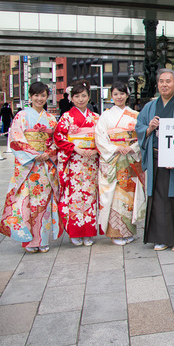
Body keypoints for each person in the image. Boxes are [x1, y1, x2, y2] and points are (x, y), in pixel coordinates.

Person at [136, 69, 174, 251]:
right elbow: (139, 126)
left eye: (168, 81)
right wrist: (150, 128)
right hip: (155, 157)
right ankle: (159, 238)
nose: (164, 84)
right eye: (161, 81)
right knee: (157, 198)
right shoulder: (149, 107)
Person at [0, 83, 59, 253]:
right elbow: (16, 138)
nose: (39, 99)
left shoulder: (51, 118)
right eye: (36, 95)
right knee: (28, 203)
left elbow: (56, 141)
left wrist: (48, 153)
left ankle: (42, 239)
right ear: (30, 97)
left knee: (44, 203)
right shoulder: (21, 116)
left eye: (42, 95)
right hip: (29, 167)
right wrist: (34, 154)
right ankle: (29, 241)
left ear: (47, 96)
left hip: (45, 167)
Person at [95, 82, 145, 246]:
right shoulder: (105, 116)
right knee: (114, 196)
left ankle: (128, 231)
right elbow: (100, 137)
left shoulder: (135, 114)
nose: (119, 97)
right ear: (111, 96)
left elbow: (141, 136)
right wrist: (116, 148)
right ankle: (115, 233)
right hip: (114, 160)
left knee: (129, 196)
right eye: (115, 94)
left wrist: (132, 147)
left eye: (122, 93)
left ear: (127, 95)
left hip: (129, 160)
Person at [54, 80, 100, 246]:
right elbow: (59, 138)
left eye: (84, 96)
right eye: (77, 96)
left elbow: (102, 139)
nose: (81, 99)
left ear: (88, 97)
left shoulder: (95, 117)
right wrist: (75, 148)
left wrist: (96, 149)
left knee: (90, 196)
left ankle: (88, 233)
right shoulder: (66, 117)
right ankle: (75, 231)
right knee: (75, 196)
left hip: (91, 162)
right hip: (74, 161)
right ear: (71, 98)